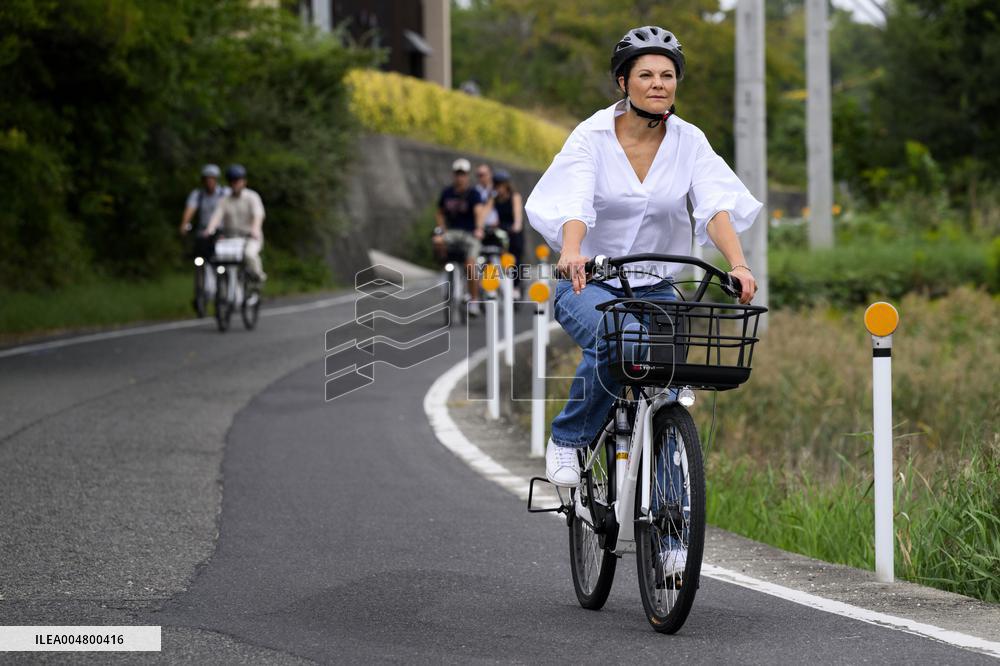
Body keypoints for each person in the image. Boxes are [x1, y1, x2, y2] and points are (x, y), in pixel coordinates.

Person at [526, 25, 759, 493]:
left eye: (668, 76)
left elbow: (714, 205)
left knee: (666, 394)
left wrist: (738, 263)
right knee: (624, 338)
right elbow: (576, 202)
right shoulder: (591, 137)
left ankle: (672, 519)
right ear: (623, 82)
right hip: (590, 283)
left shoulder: (689, 141)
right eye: (647, 75)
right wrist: (571, 251)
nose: (659, 84)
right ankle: (569, 438)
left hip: (659, 288)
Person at [434, 158, 485, 309]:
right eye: (457, 174)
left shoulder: (474, 193)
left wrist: (479, 228)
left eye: (463, 174)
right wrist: (442, 228)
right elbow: (440, 212)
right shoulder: (447, 192)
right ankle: (443, 269)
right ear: (453, 175)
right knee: (437, 240)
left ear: (467, 176)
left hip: (469, 234)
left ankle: (474, 300)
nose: (460, 177)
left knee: (470, 266)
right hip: (452, 232)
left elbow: (479, 212)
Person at [203, 164, 267, 282]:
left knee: (249, 254)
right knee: (219, 258)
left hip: (250, 237)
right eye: (232, 181)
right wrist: (209, 229)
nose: (235, 184)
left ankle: (258, 276)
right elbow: (216, 216)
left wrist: (255, 229)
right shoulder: (224, 200)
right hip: (231, 239)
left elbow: (258, 215)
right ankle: (223, 286)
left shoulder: (252, 197)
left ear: (244, 182)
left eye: (237, 181)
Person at [180, 164, 229, 259]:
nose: (209, 181)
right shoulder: (198, 195)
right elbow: (190, 209)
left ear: (216, 179)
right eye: (207, 178)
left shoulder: (225, 193)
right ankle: (202, 267)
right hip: (204, 232)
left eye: (212, 178)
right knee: (200, 256)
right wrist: (184, 224)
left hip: (222, 232)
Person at [490, 169, 525, 297]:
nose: (499, 188)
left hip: (512, 231)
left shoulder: (514, 197)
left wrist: (516, 226)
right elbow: (487, 213)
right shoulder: (493, 199)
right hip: (499, 231)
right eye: (497, 185)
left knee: (515, 256)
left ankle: (515, 286)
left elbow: (517, 217)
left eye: (501, 185)